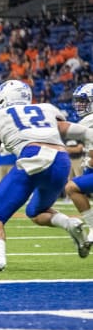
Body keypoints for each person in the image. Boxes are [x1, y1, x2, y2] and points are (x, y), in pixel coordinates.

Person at [0, 80, 91, 271]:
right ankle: (70, 223)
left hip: (33, 158)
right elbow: (72, 130)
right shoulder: (46, 109)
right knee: (35, 211)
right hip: (61, 161)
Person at [64, 83, 93, 253]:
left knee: (72, 187)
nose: (79, 105)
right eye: (78, 101)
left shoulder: (89, 121)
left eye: (83, 101)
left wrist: (88, 162)